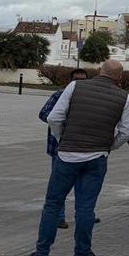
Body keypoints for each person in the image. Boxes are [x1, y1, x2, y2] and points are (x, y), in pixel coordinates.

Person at [22, 60, 129, 256]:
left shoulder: (75, 86)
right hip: (96, 157)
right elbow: (127, 133)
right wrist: (108, 146)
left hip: (66, 156)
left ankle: (41, 255)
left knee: (53, 204)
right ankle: (82, 255)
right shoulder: (126, 98)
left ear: (99, 72)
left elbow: (54, 117)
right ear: (119, 78)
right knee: (86, 208)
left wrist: (61, 138)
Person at [39, 68, 90, 229]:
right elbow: (44, 114)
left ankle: (82, 214)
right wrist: (64, 124)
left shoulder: (89, 98)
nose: (79, 83)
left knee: (83, 185)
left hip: (83, 148)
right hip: (60, 148)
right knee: (59, 185)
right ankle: (58, 217)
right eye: (76, 80)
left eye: (83, 80)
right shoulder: (59, 95)